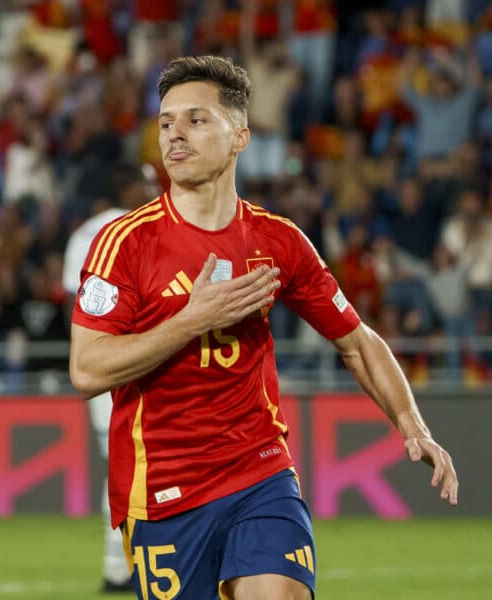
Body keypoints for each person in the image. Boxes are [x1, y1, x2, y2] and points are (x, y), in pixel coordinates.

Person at [69, 56, 459, 600]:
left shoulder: (278, 241)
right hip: (165, 489)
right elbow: (87, 370)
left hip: (260, 471)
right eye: (165, 122)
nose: (174, 134)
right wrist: (191, 321)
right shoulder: (124, 244)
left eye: (196, 119)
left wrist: (411, 424)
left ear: (240, 137)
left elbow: (356, 339)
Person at [61, 162, 156, 594]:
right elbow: (77, 305)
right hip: (120, 367)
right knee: (129, 461)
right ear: (126, 187)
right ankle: (120, 561)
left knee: (132, 461)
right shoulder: (114, 230)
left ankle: (125, 562)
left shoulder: (90, 233)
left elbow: (70, 302)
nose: (154, 189)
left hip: (130, 364)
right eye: (146, 183)